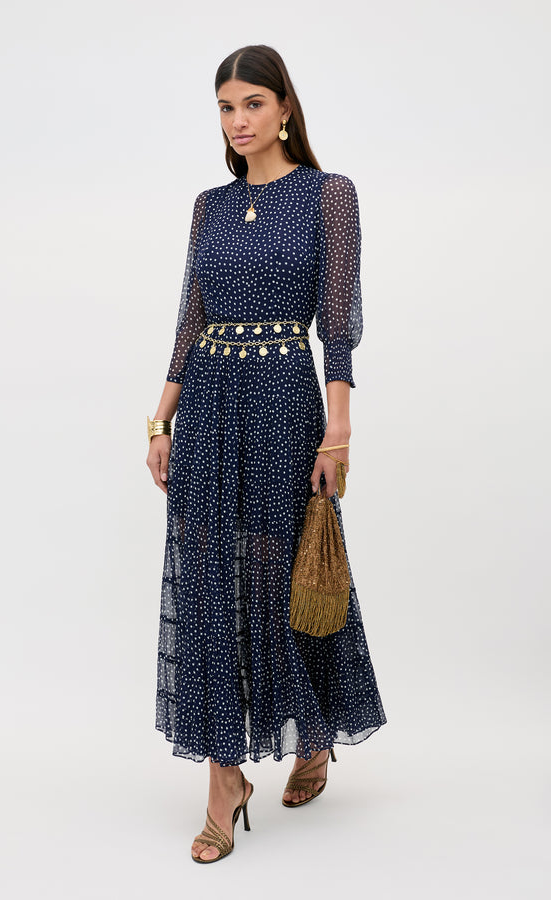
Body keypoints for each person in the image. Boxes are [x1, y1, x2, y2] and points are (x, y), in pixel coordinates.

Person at [146, 44, 387, 864]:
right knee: (212, 576)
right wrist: (160, 422)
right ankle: (225, 780)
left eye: (252, 104)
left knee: (289, 573)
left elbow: (339, 321)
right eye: (224, 107)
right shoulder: (208, 206)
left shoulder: (329, 196)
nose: (238, 121)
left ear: (285, 108)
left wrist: (338, 428)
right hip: (210, 405)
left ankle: (310, 738)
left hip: (287, 404)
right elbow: (190, 319)